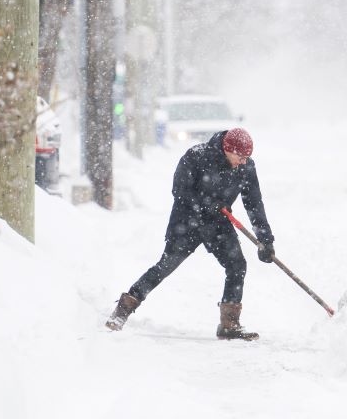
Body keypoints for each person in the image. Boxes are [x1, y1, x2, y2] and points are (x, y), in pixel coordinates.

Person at [105, 128, 276, 341]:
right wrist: (206, 204)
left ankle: (229, 325)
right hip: (187, 221)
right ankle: (123, 310)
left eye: (246, 158)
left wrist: (265, 239)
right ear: (227, 149)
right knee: (165, 266)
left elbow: (254, 204)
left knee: (237, 265)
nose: (243, 162)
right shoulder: (196, 155)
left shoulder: (246, 168)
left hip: (218, 225)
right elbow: (179, 190)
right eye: (239, 157)